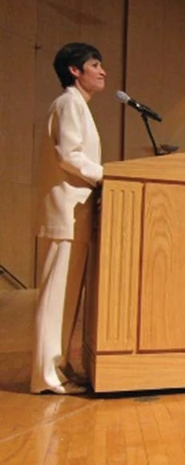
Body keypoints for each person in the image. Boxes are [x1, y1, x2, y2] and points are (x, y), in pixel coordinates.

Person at [32, 43, 106, 395]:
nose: (102, 71)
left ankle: (59, 366)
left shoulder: (79, 106)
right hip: (65, 209)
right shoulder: (68, 103)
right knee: (55, 296)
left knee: (67, 296)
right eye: (95, 65)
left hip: (76, 211)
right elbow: (68, 155)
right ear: (75, 71)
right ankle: (46, 375)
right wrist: (106, 175)